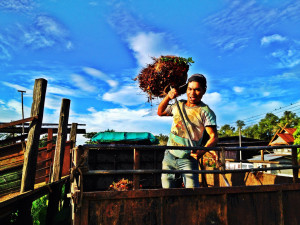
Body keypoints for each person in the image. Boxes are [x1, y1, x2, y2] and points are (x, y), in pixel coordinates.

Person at [157, 73, 218, 188]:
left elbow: (213, 137)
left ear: (204, 91)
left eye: (197, 90)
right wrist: (168, 97)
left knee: (192, 193)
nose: (192, 93)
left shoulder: (205, 111)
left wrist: (201, 152)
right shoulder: (178, 105)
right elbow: (160, 112)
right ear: (186, 90)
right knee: (167, 191)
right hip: (169, 156)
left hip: (188, 159)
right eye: (189, 89)